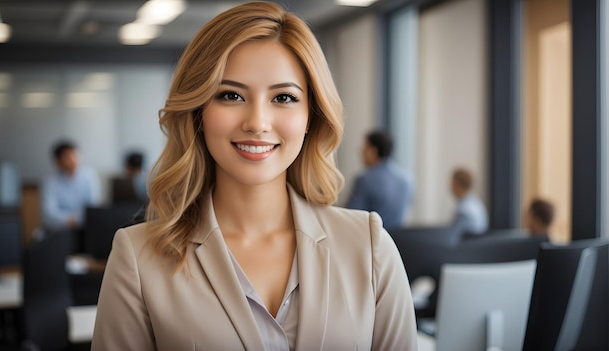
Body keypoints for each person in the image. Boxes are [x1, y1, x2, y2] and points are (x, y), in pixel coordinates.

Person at [92, 2, 418, 350]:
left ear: (311, 116)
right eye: (230, 95)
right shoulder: (137, 259)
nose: (257, 122)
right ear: (198, 112)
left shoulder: (370, 248)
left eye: (284, 97)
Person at [346, 130, 413, 229]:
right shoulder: (407, 180)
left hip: (371, 241)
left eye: (364, 149)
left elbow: (351, 217)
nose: (361, 153)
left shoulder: (364, 180)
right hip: (398, 241)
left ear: (373, 151)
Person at [40, 140, 101, 231]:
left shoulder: (89, 175)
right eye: (67, 157)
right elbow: (49, 214)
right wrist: (75, 220)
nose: (73, 159)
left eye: (74, 155)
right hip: (59, 230)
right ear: (57, 162)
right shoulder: (49, 181)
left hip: (85, 229)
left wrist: (74, 220)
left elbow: (93, 207)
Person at [450, 167, 488, 235]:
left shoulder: (464, 209)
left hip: (471, 244)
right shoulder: (476, 202)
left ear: (457, 184)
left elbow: (454, 234)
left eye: (452, 183)